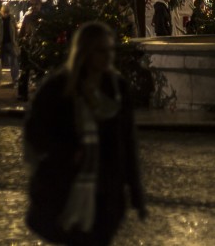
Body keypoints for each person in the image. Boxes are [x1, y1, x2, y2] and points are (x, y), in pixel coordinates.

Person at [24, 22, 146, 245]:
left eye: (110, 49)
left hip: (106, 192)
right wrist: (65, 153)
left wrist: (135, 189)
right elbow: (35, 131)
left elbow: (128, 141)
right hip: (67, 187)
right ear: (85, 52)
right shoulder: (58, 88)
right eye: (101, 50)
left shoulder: (116, 88)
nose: (108, 56)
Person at [17, 0, 42, 102]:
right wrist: (22, 40)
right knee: (25, 72)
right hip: (28, 47)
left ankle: (40, 94)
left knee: (39, 71)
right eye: (33, 4)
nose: (35, 6)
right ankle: (22, 94)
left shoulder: (43, 18)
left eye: (37, 4)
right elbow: (22, 32)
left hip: (40, 48)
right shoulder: (27, 18)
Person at [0, 4, 19, 84]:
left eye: (7, 12)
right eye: (4, 12)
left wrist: (16, 40)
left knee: (13, 60)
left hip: (10, 42)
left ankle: (15, 78)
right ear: (1, 11)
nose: (6, 14)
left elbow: (15, 29)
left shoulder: (12, 18)